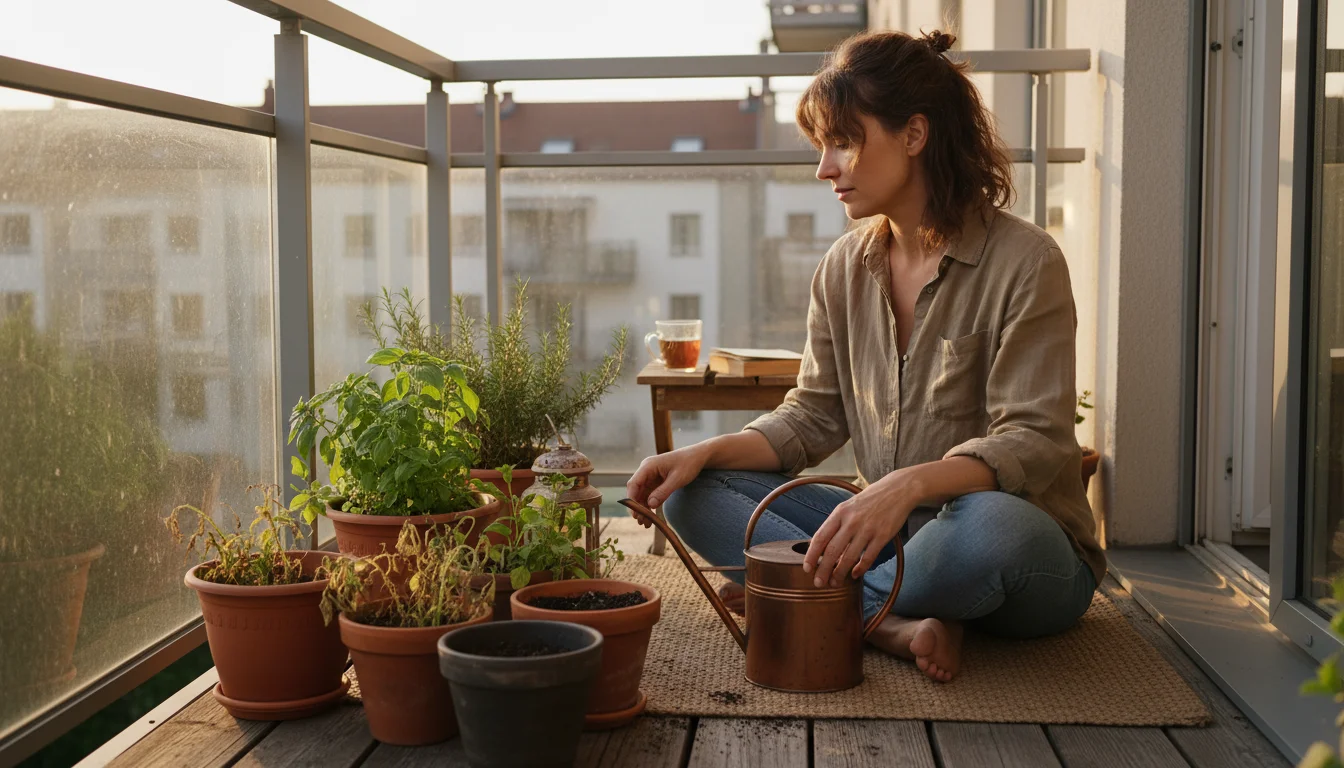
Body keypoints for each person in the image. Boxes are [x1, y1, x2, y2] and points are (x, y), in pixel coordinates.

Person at [624, 29, 1104, 683]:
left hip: (1008, 547)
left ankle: (814, 603)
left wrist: (905, 487)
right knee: (693, 495)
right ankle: (892, 623)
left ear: (914, 134)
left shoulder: (1026, 261)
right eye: (823, 145)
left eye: (845, 141)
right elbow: (811, 420)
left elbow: (1035, 441)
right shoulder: (843, 267)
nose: (825, 168)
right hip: (890, 538)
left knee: (994, 531)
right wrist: (702, 454)